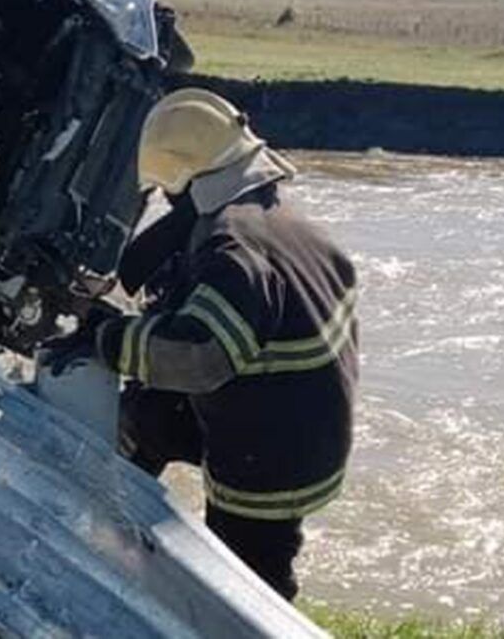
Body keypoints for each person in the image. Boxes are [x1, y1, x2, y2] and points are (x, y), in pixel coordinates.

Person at [48, 88, 359, 600]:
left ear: (183, 184)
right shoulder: (272, 212)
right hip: (305, 420)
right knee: (147, 417)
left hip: (272, 453)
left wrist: (108, 339)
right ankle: (112, 536)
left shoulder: (232, 248)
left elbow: (199, 356)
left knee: (247, 586)